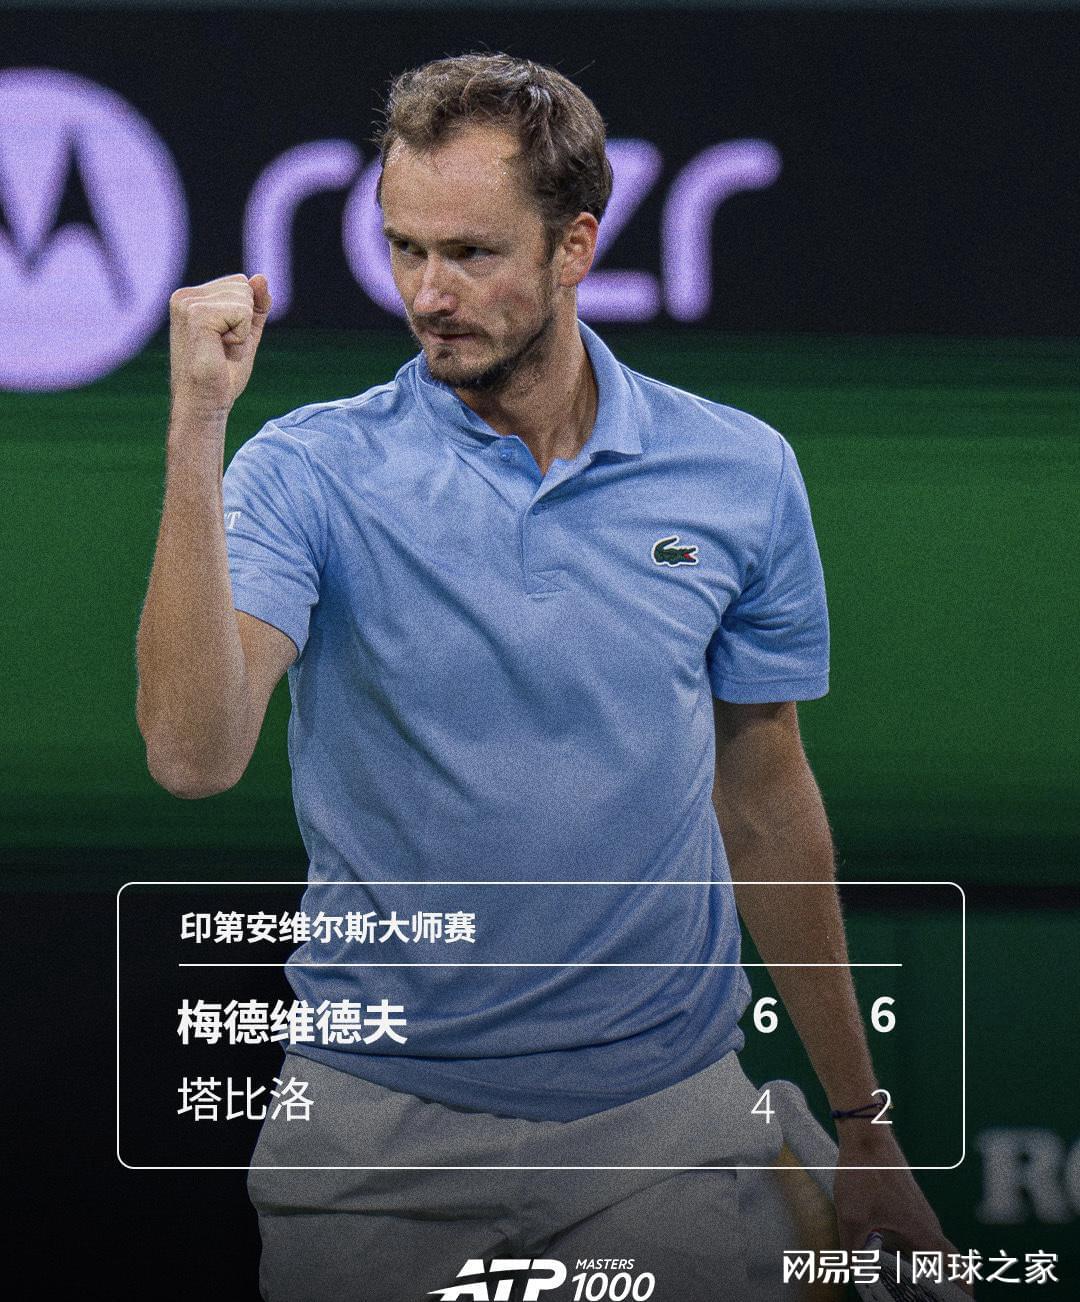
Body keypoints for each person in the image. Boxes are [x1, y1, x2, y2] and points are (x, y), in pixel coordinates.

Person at [136, 52, 965, 1302]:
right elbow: (193, 758)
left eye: (471, 253)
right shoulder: (304, 473)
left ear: (576, 244)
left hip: (663, 1133)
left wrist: (864, 1122)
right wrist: (198, 428)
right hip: (372, 1139)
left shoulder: (739, 475)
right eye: (403, 248)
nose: (428, 293)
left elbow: (764, 804)